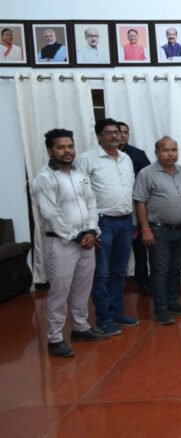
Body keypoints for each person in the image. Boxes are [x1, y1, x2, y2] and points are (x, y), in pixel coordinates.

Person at [32, 129, 107, 357]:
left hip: (87, 241)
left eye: (70, 146)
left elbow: (92, 204)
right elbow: (51, 214)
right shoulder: (44, 179)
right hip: (62, 243)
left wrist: (92, 231)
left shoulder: (80, 175)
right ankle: (55, 338)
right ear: (50, 150)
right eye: (60, 147)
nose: (67, 151)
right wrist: (77, 236)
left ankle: (81, 327)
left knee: (83, 286)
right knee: (60, 290)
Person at [74, 118, 137, 336]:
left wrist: (134, 222)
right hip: (101, 222)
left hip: (125, 221)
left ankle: (116, 311)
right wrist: (90, 227)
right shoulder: (87, 160)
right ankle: (103, 317)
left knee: (120, 271)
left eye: (118, 132)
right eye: (108, 132)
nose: (114, 136)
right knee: (101, 273)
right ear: (99, 136)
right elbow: (80, 195)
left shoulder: (126, 159)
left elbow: (129, 191)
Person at [134, 136, 181, 325]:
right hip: (158, 230)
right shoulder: (147, 173)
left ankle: (172, 302)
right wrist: (145, 229)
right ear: (157, 152)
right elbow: (140, 202)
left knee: (176, 269)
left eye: (174, 150)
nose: (170, 154)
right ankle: (160, 310)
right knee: (160, 270)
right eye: (165, 150)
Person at [117, 122, 152, 295]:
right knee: (116, 252)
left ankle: (143, 282)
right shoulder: (103, 156)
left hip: (137, 207)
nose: (122, 135)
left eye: (125, 132)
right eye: (119, 132)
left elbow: (149, 179)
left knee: (140, 252)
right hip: (114, 210)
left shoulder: (138, 154)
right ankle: (116, 284)